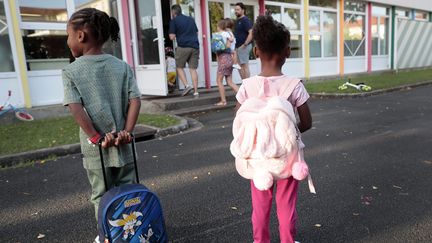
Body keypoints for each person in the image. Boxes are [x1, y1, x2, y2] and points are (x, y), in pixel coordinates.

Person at [62, 8, 141, 243]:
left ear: (80, 36)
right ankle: (132, 233)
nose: (67, 42)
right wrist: (127, 131)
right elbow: (135, 100)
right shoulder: (122, 66)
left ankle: (108, 237)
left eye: (67, 36)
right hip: (124, 145)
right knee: (130, 191)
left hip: (98, 149)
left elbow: (75, 107)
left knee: (101, 195)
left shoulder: (70, 71)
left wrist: (96, 137)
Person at [234, 15, 312, 243]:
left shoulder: (247, 86)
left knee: (260, 206)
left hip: (258, 159)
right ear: (287, 51)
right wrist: (285, 134)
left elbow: (239, 120)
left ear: (256, 52)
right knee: (286, 205)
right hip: (287, 157)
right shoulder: (294, 85)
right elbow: (307, 122)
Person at [169, 4, 200, 98]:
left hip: (183, 47)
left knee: (179, 67)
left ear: (174, 12)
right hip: (195, 46)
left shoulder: (174, 21)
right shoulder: (190, 19)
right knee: (193, 69)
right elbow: (196, 32)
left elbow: (172, 37)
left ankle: (187, 86)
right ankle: (196, 92)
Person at [214, 19, 239, 106]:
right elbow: (231, 42)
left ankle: (223, 101)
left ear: (219, 27)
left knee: (219, 80)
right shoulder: (229, 34)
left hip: (223, 58)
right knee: (229, 82)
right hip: (230, 58)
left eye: (217, 26)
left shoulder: (219, 35)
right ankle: (244, 97)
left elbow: (220, 48)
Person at [234, 2, 253, 79]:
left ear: (243, 10)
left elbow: (251, 33)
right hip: (238, 47)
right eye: (235, 9)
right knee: (239, 66)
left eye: (238, 9)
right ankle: (244, 84)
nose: (236, 11)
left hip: (244, 46)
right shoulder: (238, 20)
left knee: (244, 65)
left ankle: (247, 85)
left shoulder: (245, 20)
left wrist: (245, 44)